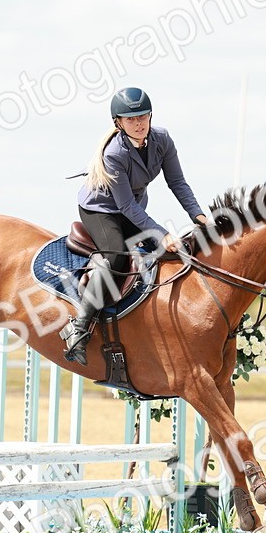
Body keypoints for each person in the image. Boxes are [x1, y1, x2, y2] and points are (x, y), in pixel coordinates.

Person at [60, 86, 209, 365]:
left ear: (151, 116)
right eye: (131, 119)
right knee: (117, 255)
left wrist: (198, 216)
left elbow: (177, 182)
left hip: (132, 208)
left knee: (169, 254)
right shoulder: (114, 152)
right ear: (118, 123)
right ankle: (78, 327)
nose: (139, 123)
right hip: (101, 210)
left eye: (143, 116)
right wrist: (162, 233)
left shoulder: (162, 139)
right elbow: (125, 207)